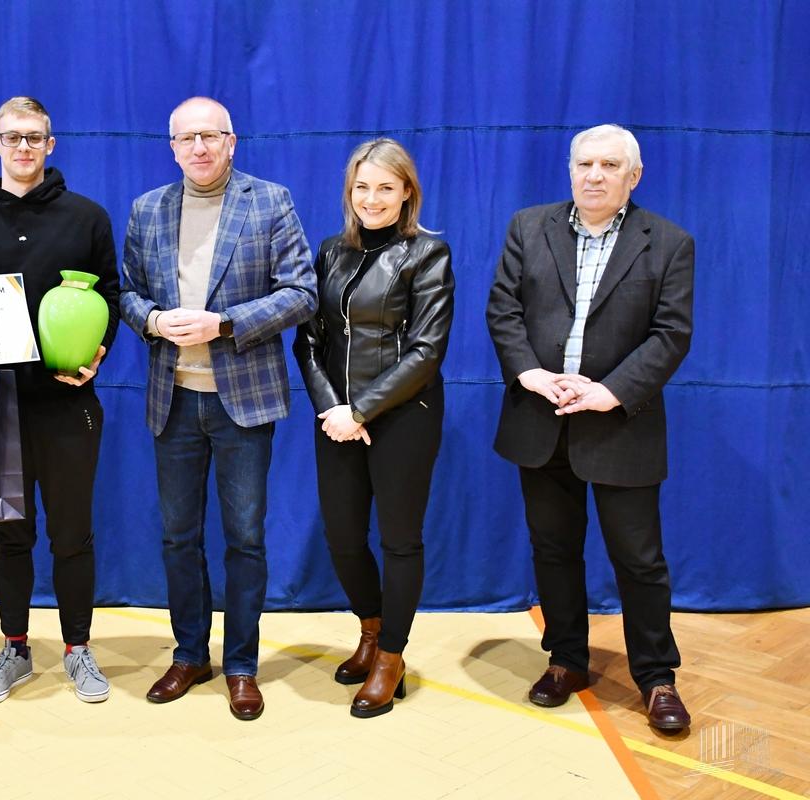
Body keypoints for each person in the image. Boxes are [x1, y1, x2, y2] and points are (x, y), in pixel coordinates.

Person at [486, 124, 694, 732]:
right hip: (542, 417)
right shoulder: (529, 227)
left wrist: (611, 392)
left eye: (610, 165)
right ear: (571, 170)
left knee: (639, 560)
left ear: (634, 175)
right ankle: (566, 660)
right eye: (585, 164)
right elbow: (503, 309)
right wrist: (530, 374)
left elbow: (671, 333)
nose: (595, 175)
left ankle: (656, 677)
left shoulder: (669, 243)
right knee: (553, 550)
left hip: (621, 423)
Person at [120, 96, 316, 720]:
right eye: (187, 138)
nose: (199, 147)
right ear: (172, 148)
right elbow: (126, 292)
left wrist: (224, 323)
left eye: (211, 135)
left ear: (232, 141)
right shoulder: (147, 209)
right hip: (172, 400)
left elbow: (301, 292)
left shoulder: (271, 201)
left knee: (245, 540)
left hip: (243, 403)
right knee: (178, 538)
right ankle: (188, 654)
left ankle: (241, 665)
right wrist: (153, 320)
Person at [0, 96, 119, 705]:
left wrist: (98, 352)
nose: (23, 147)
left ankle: (78, 648)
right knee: (10, 537)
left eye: (34, 137)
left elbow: (112, 297)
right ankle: (14, 648)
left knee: (72, 535)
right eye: (12, 137)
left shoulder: (86, 219)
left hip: (67, 405)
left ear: (50, 144)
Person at [293, 138, 454, 718]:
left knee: (399, 541)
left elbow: (427, 350)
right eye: (362, 187)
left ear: (407, 191)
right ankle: (370, 628)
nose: (372, 198)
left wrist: (360, 410)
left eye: (386, 187)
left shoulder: (428, 254)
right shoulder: (330, 251)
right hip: (336, 419)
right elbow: (308, 341)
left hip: (404, 417)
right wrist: (334, 410)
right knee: (342, 537)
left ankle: (391, 656)